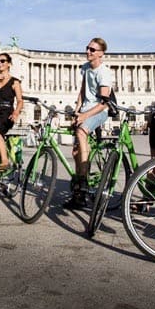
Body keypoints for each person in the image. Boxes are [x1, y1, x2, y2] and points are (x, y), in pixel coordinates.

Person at [65, 37, 113, 209]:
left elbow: (104, 103)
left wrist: (84, 116)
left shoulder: (104, 72)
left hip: (99, 112)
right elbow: (82, 92)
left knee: (81, 132)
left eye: (92, 50)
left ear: (101, 53)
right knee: (76, 151)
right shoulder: (85, 68)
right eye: (87, 48)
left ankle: (83, 179)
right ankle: (78, 195)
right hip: (85, 110)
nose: (88, 51)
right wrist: (77, 111)